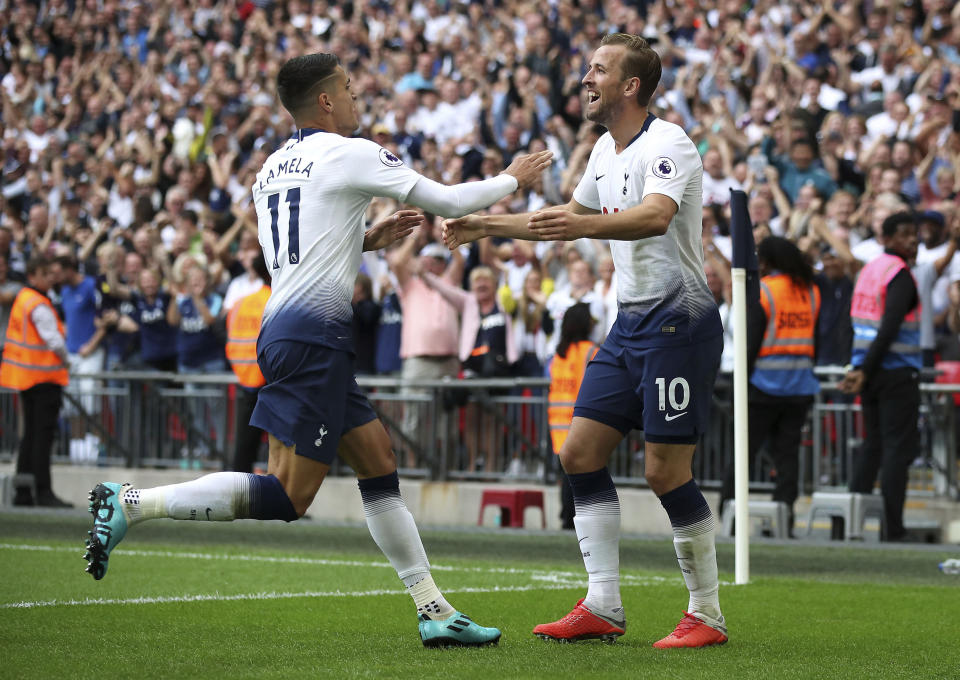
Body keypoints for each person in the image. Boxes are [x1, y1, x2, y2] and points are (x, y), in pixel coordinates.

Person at [84, 52, 551, 648]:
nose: (357, 99)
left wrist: (364, 240)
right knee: (286, 496)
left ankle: (433, 609)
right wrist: (514, 176)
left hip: (287, 331)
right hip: (314, 339)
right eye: (350, 89)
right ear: (327, 100)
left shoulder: (271, 169)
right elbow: (452, 202)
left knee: (379, 461)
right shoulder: (350, 151)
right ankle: (132, 503)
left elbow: (303, 251)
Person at [444, 33, 727, 648]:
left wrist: (584, 226)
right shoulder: (603, 148)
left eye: (598, 69)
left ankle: (706, 614)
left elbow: (654, 216)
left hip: (680, 324)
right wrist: (483, 225)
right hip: (629, 324)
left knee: (663, 470)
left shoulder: (668, 142)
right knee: (578, 455)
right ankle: (603, 604)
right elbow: (563, 222)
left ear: (631, 86)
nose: (584, 77)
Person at [719, 237, 821, 535]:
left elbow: (750, 345)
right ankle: (783, 519)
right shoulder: (812, 291)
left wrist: (740, 382)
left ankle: (730, 516)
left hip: (762, 387)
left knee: (743, 454)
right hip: (800, 386)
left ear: (767, 262)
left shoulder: (764, 291)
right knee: (787, 456)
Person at [841, 212, 921, 542]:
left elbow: (858, 323)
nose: (913, 240)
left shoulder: (869, 271)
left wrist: (858, 369)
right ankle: (893, 528)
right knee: (896, 450)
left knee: (872, 446)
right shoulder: (899, 274)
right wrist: (866, 370)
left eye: (914, 234)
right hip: (895, 371)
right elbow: (888, 329)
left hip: (868, 371)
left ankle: (848, 523)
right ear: (886, 239)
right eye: (904, 235)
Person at [0, 256, 71, 507]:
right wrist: (67, 360)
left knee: (29, 437)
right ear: (33, 276)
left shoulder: (23, 299)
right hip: (44, 377)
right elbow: (53, 340)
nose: (51, 278)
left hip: (26, 377)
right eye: (46, 273)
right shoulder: (39, 303)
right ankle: (43, 491)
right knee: (42, 437)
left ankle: (22, 493)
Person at [546, 303, 598, 530]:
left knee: (566, 475)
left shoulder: (559, 353)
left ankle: (567, 516)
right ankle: (571, 518)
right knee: (581, 475)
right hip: (580, 421)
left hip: (557, 422)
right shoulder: (590, 350)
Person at [225, 253, 271, 473]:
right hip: (273, 378)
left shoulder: (241, 303)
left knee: (245, 445)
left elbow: (227, 335)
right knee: (281, 443)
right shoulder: (276, 300)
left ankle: (238, 492)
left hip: (247, 378)